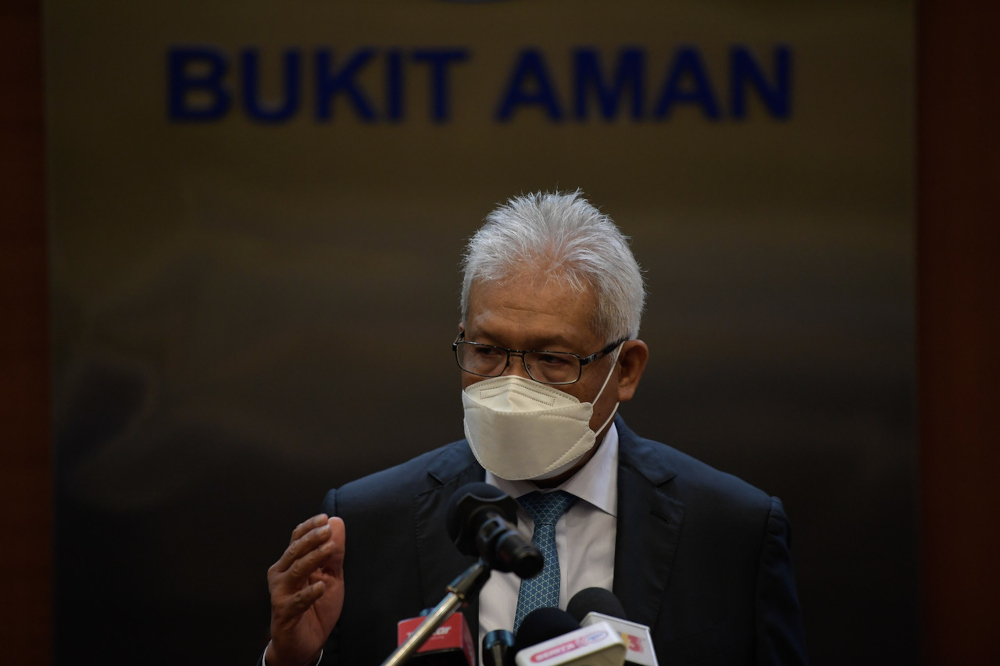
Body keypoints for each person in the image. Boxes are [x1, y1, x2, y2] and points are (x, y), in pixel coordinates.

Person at [260, 191, 808, 666]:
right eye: (488, 351)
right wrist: (293, 661)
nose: (512, 385)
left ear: (626, 370)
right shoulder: (371, 524)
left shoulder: (733, 532)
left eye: (552, 359)